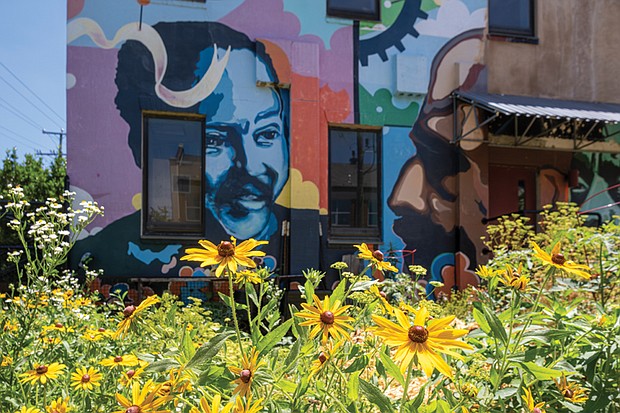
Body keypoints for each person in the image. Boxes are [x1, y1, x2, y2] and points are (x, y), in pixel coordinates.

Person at [72, 22, 289, 277]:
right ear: (146, 150)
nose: (251, 165)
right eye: (215, 141)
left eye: (267, 134)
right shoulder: (109, 250)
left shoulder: (303, 226)